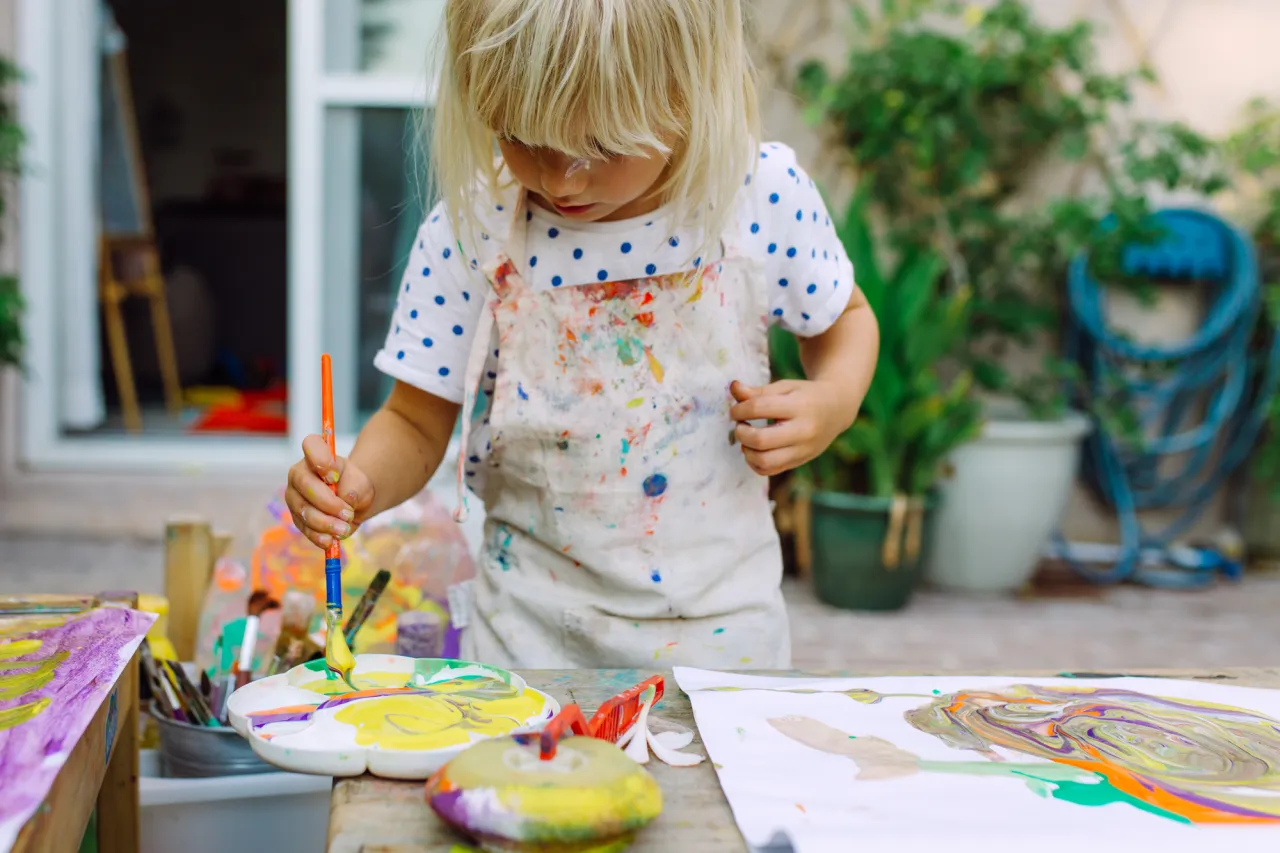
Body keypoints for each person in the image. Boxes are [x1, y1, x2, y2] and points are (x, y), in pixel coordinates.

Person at [285, 0, 878, 670]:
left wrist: (832, 401)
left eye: (601, 145)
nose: (562, 178)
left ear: (686, 90)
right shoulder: (474, 230)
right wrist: (358, 484)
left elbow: (845, 322)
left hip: (723, 646)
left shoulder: (759, 195)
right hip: (530, 642)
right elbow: (416, 423)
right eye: (522, 136)